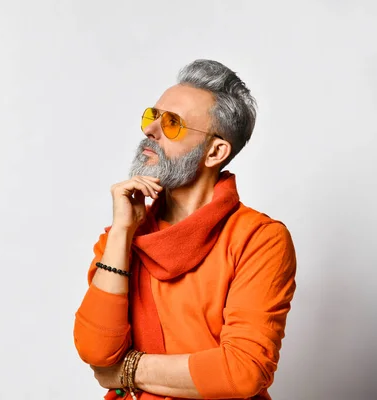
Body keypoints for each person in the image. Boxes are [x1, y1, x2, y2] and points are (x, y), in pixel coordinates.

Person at [73, 59, 297, 400]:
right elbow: (96, 351)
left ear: (215, 151)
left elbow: (242, 372)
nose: (150, 131)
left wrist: (128, 370)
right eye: (153, 117)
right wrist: (121, 231)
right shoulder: (122, 236)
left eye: (173, 123)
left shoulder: (259, 239)